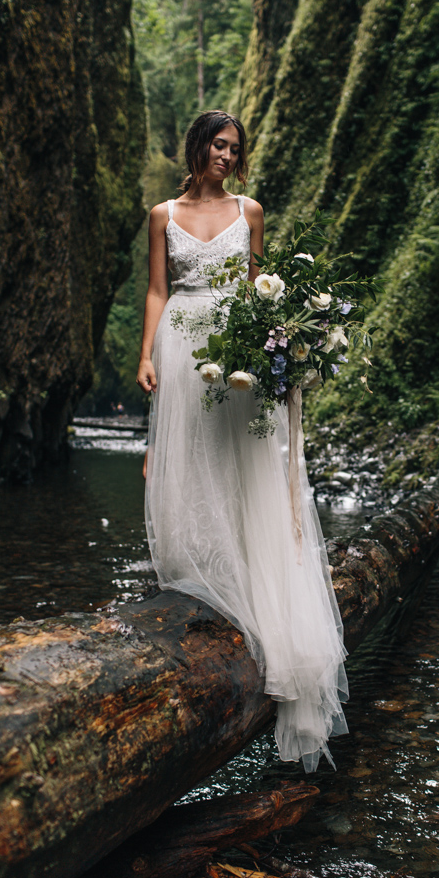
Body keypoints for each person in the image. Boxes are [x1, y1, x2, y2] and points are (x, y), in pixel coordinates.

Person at [136, 110, 348, 771]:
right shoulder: (161, 215)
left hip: (233, 353)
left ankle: (258, 604)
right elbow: (156, 289)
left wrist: (281, 343)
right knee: (190, 466)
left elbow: (260, 289)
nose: (226, 155)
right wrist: (146, 354)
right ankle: (203, 584)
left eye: (235, 148)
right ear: (196, 146)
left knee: (241, 466)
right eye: (217, 145)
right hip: (178, 349)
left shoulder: (250, 211)